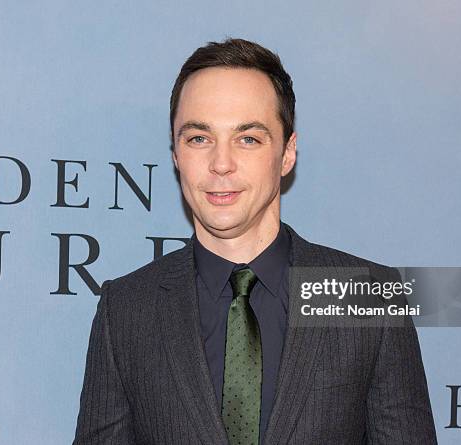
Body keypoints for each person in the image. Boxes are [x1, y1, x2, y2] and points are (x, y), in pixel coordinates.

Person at [73, 37, 437, 445]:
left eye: (248, 138)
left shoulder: (366, 297)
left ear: (287, 154)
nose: (221, 164)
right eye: (199, 138)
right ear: (176, 154)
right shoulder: (127, 309)